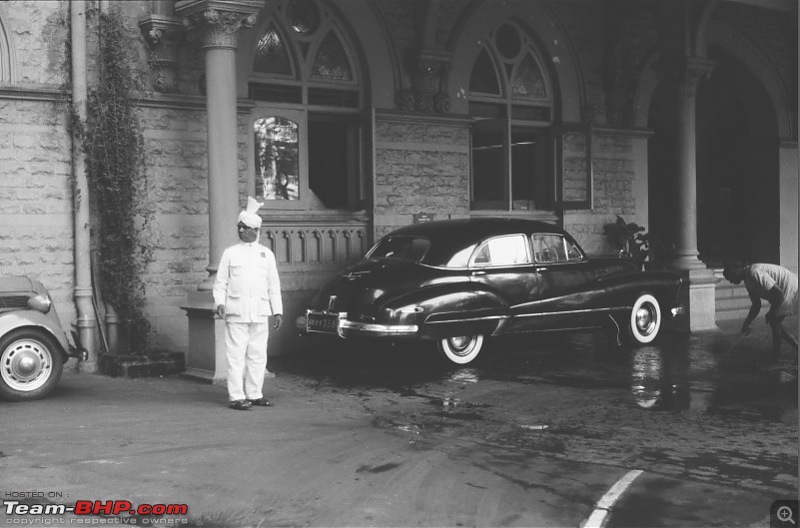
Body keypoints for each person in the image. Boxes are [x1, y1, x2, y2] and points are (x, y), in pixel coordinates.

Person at [213, 197, 283, 410]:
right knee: (235, 356)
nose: (241, 231)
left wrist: (277, 310)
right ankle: (236, 396)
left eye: (245, 228)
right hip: (236, 312)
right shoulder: (230, 253)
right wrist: (220, 303)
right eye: (239, 227)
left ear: (256, 230)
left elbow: (273, 285)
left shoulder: (266, 255)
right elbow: (221, 283)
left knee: (258, 355)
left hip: (260, 312)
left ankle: (254, 393)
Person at [723, 263, 799, 360]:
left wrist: (771, 312)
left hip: (791, 289)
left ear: (735, 272)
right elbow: (756, 305)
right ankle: (794, 348)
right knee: (775, 322)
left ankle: (776, 358)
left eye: (730, 279)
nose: (731, 282)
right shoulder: (748, 280)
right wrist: (746, 324)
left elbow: (778, 293)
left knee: (774, 321)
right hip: (785, 291)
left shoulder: (754, 272)